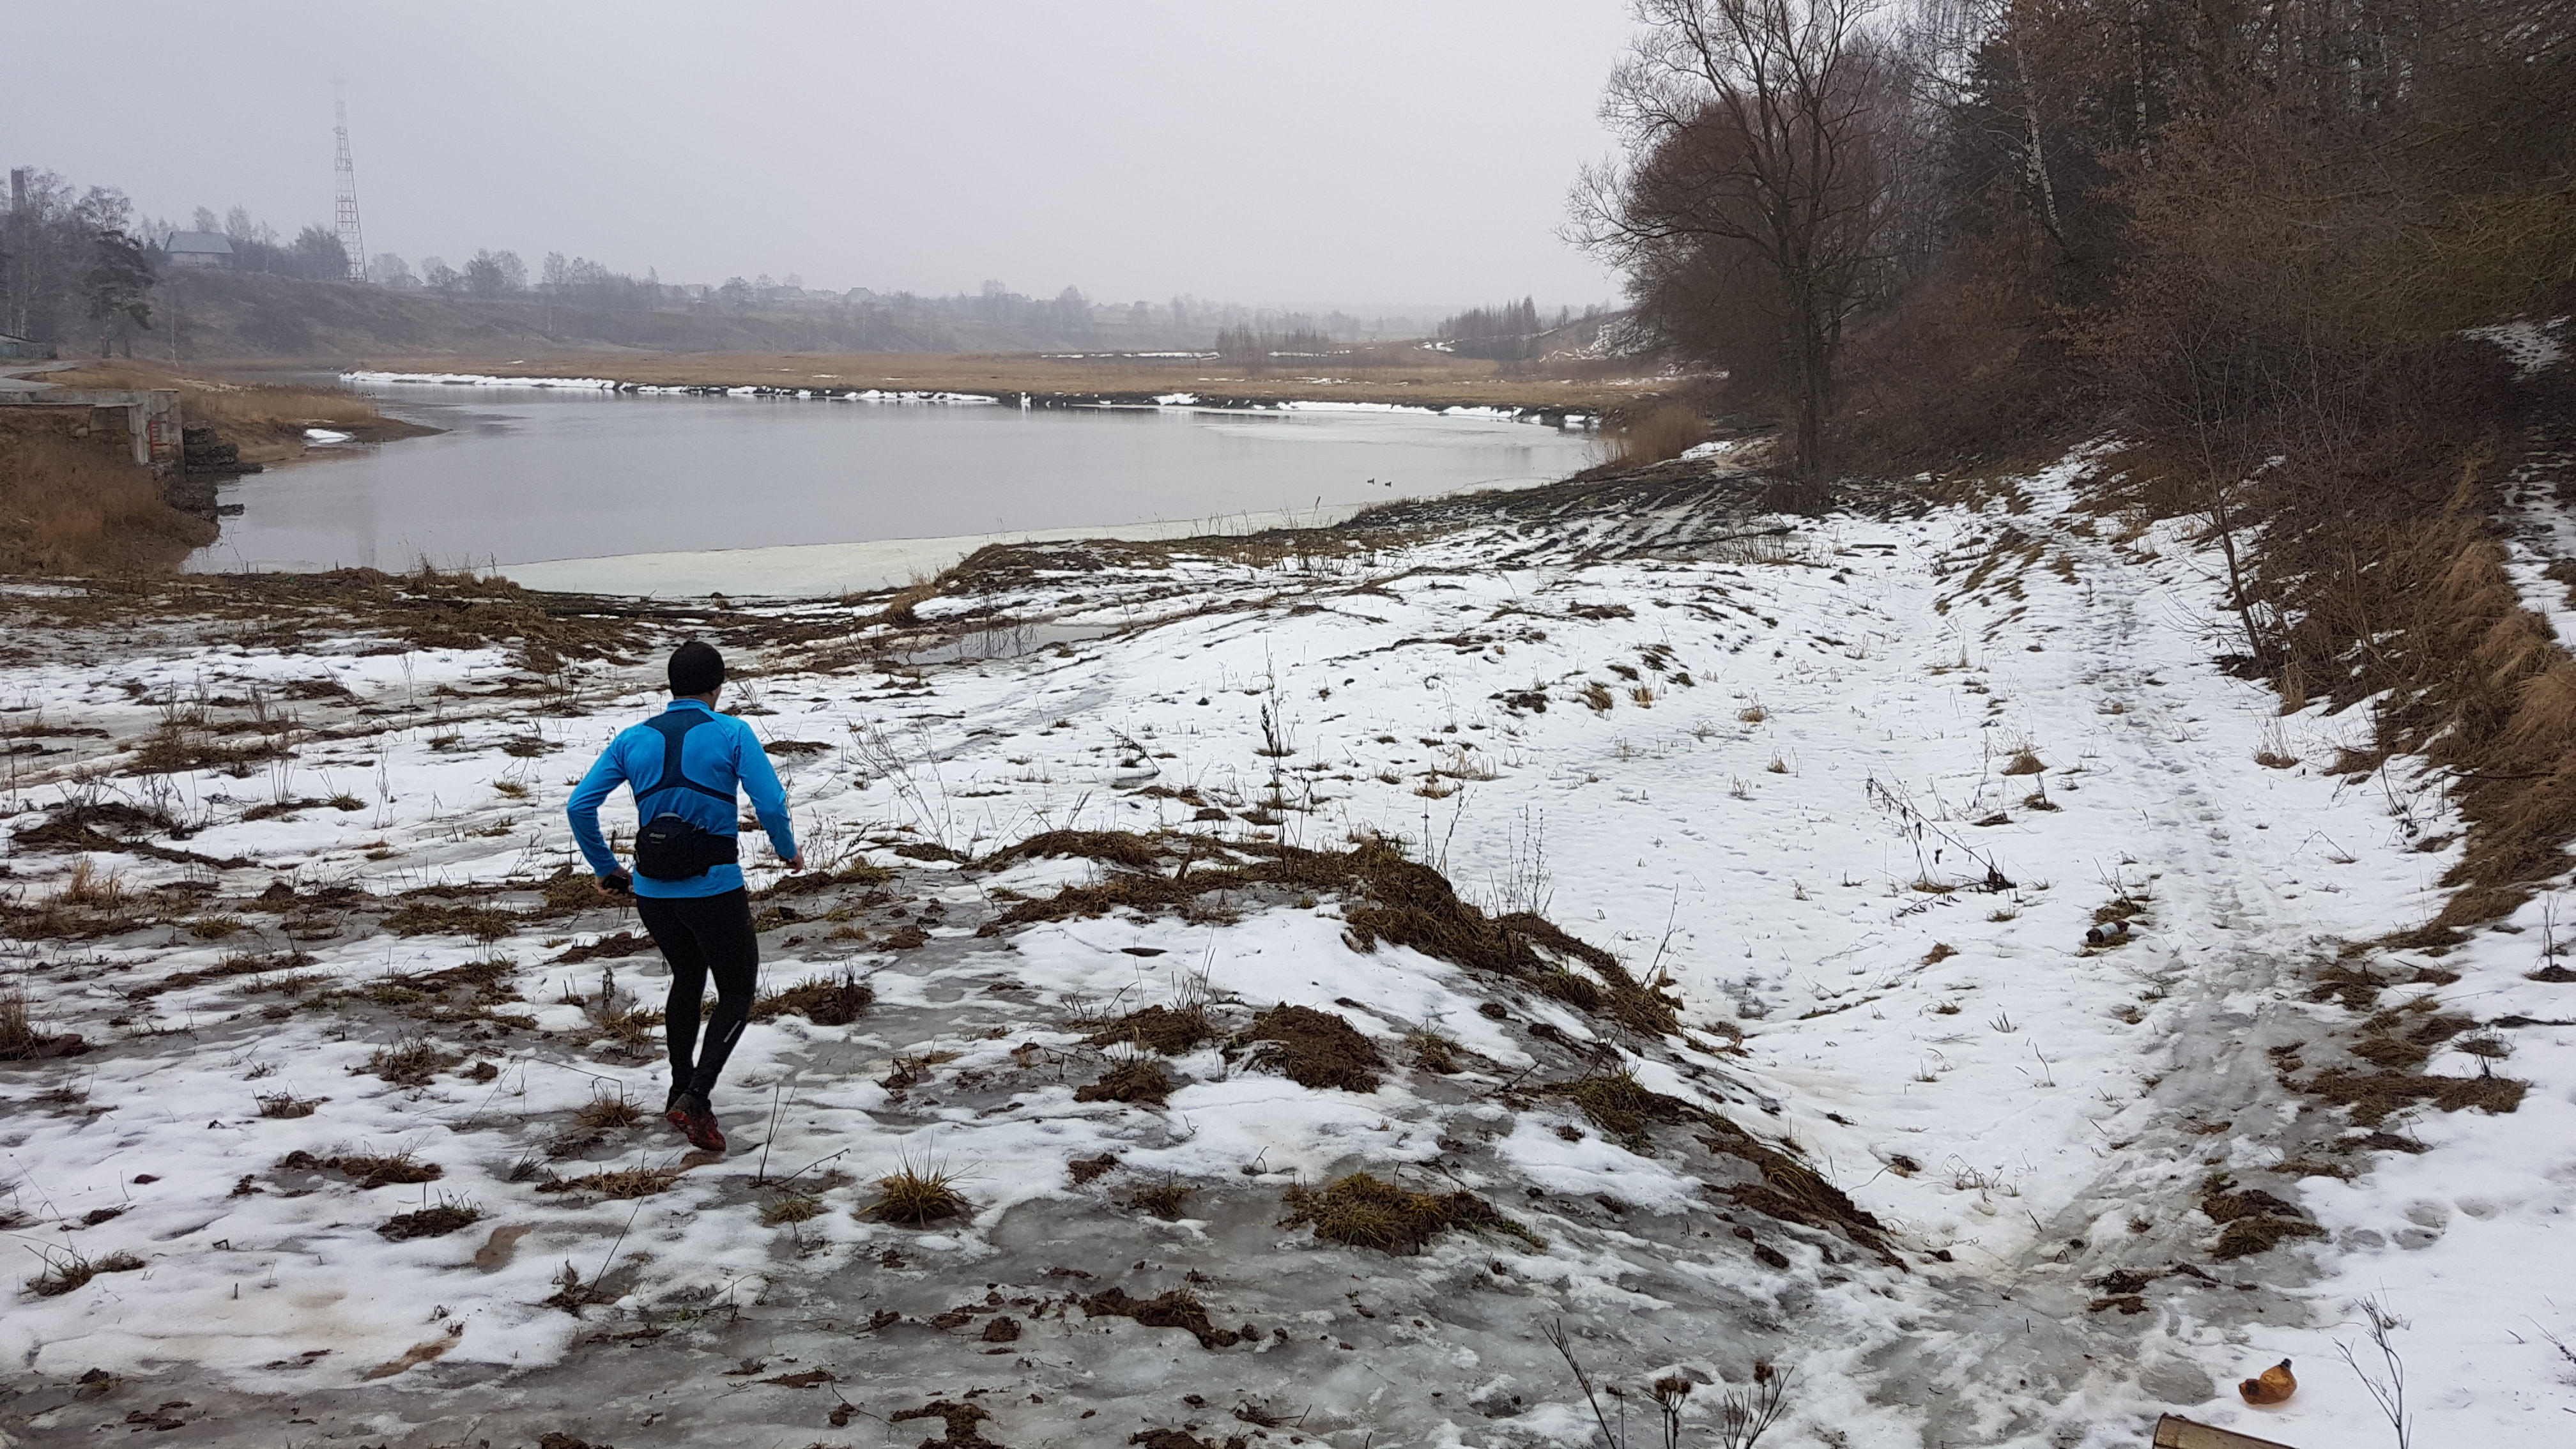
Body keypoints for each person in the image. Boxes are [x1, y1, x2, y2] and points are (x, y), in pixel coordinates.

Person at [567, 640, 801, 1152]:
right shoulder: (732, 732)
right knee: (736, 991)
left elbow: (579, 806)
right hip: (714, 888)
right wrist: (788, 851)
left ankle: (679, 1088)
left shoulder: (633, 738)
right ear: (718, 687)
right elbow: (770, 803)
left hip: (653, 892)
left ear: (671, 686)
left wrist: (607, 869)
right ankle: (695, 1097)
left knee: (688, 977)